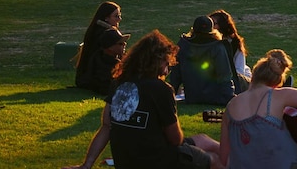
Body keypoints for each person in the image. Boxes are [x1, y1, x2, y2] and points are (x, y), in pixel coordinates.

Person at [62, 30, 224, 169]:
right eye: (167, 64)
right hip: (156, 160)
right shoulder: (161, 89)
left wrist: (87, 165)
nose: (167, 70)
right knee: (214, 160)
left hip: (126, 161)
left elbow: (106, 126)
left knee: (203, 140)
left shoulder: (119, 84)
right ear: (158, 61)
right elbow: (176, 140)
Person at [219, 49, 297, 169]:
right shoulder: (277, 95)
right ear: (276, 82)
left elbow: (223, 158)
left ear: (254, 76)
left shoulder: (231, 106)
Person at [169, 16, 236, 104]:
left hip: (191, 96)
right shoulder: (217, 47)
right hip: (215, 97)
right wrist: (230, 97)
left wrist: (170, 96)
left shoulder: (183, 45)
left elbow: (175, 76)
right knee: (243, 81)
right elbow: (224, 75)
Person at [75, 2, 124, 91]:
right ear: (106, 18)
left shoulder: (104, 32)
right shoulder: (102, 35)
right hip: (96, 78)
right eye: (116, 16)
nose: (119, 19)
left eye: (119, 15)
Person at [209, 9, 251, 93]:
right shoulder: (209, 42)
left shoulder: (235, 43)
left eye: (214, 24)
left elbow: (239, 70)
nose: (211, 27)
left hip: (237, 77)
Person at [80, 27, 131, 95]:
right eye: (120, 43)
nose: (124, 44)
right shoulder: (104, 63)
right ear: (109, 48)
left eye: (124, 42)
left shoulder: (119, 59)